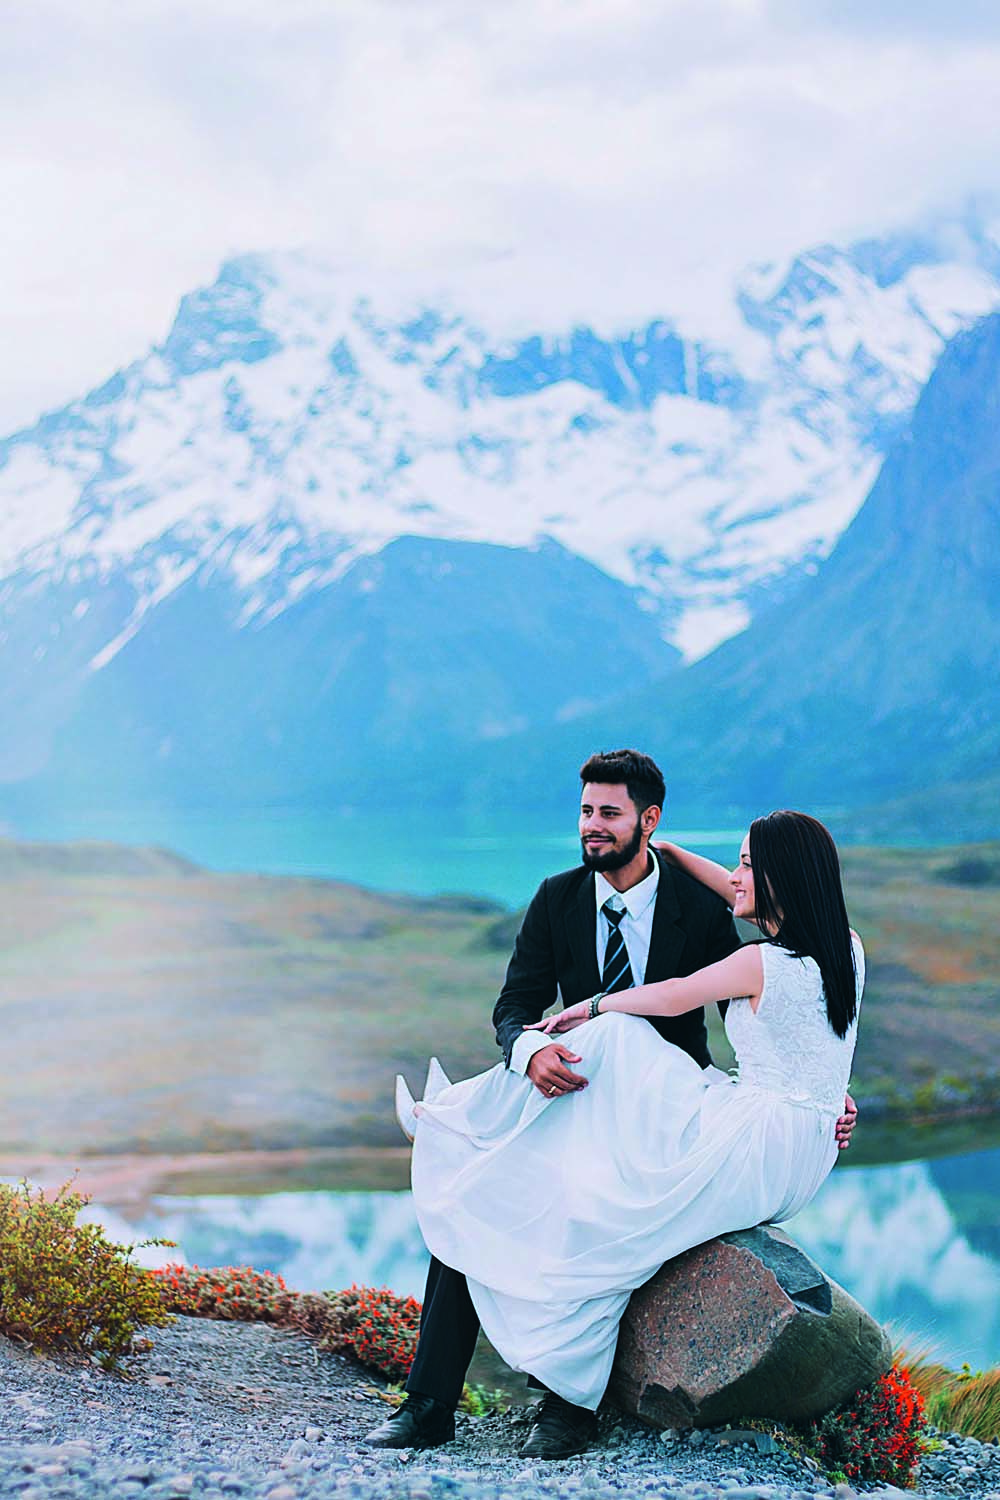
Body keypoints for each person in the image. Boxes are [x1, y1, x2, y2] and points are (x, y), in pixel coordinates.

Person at [365, 750, 859, 1459]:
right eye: (585, 812)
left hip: (666, 1107)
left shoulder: (701, 911)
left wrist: (821, 1097)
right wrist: (528, 1050)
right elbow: (513, 1008)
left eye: (608, 814)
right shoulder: (556, 898)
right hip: (576, 1092)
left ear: (647, 822)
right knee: (477, 1182)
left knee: (605, 1095)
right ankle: (428, 1405)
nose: (592, 827)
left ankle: (566, 1409)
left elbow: (775, 1016)